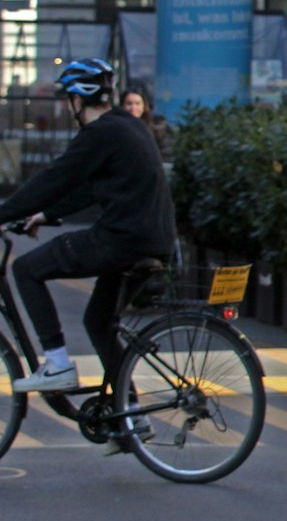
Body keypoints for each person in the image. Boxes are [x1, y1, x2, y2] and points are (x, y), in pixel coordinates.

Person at [1, 60, 176, 453]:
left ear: (79, 99)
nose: (67, 108)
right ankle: (130, 418)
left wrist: (5, 212)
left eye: (68, 100)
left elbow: (54, 179)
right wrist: (48, 215)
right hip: (152, 242)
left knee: (28, 268)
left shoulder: (98, 134)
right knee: (98, 322)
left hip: (120, 241)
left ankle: (57, 364)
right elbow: (94, 188)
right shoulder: (129, 127)